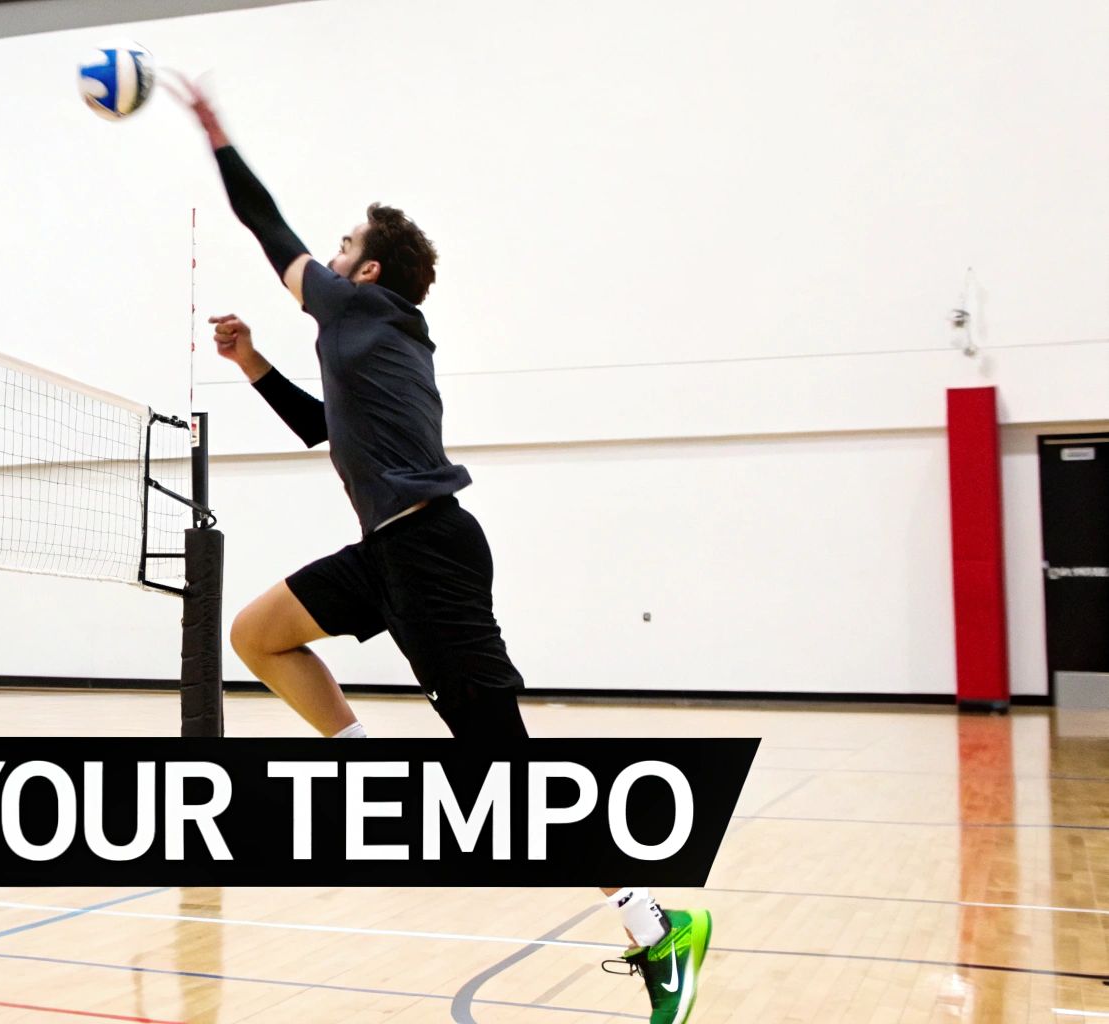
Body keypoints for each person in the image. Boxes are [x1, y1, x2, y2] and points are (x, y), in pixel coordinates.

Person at [168, 75, 712, 1023]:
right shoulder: (377, 339)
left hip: (432, 558)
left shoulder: (358, 314)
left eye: (343, 248)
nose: (328, 257)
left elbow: (266, 227)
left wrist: (218, 137)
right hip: (388, 553)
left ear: (365, 273)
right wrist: (252, 364)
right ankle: (366, 768)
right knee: (256, 634)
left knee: (507, 768)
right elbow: (324, 428)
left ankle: (653, 920)